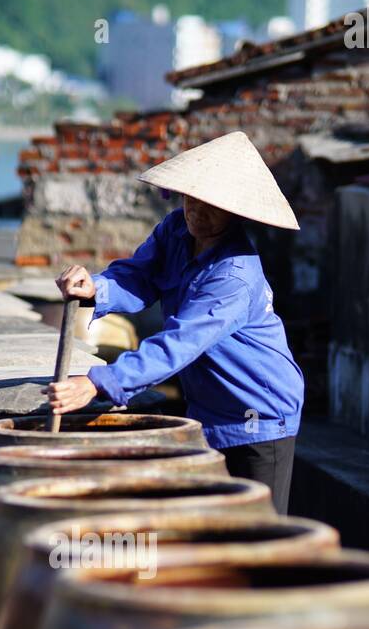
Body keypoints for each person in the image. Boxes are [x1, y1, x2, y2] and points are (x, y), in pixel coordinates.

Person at [47, 131, 304, 514]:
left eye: (210, 205)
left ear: (234, 211)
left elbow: (179, 344)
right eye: (190, 199)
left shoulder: (234, 276)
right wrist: (94, 288)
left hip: (258, 415)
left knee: (254, 534)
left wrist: (98, 382)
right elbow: (138, 276)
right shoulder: (175, 231)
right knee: (208, 527)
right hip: (208, 408)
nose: (196, 212)